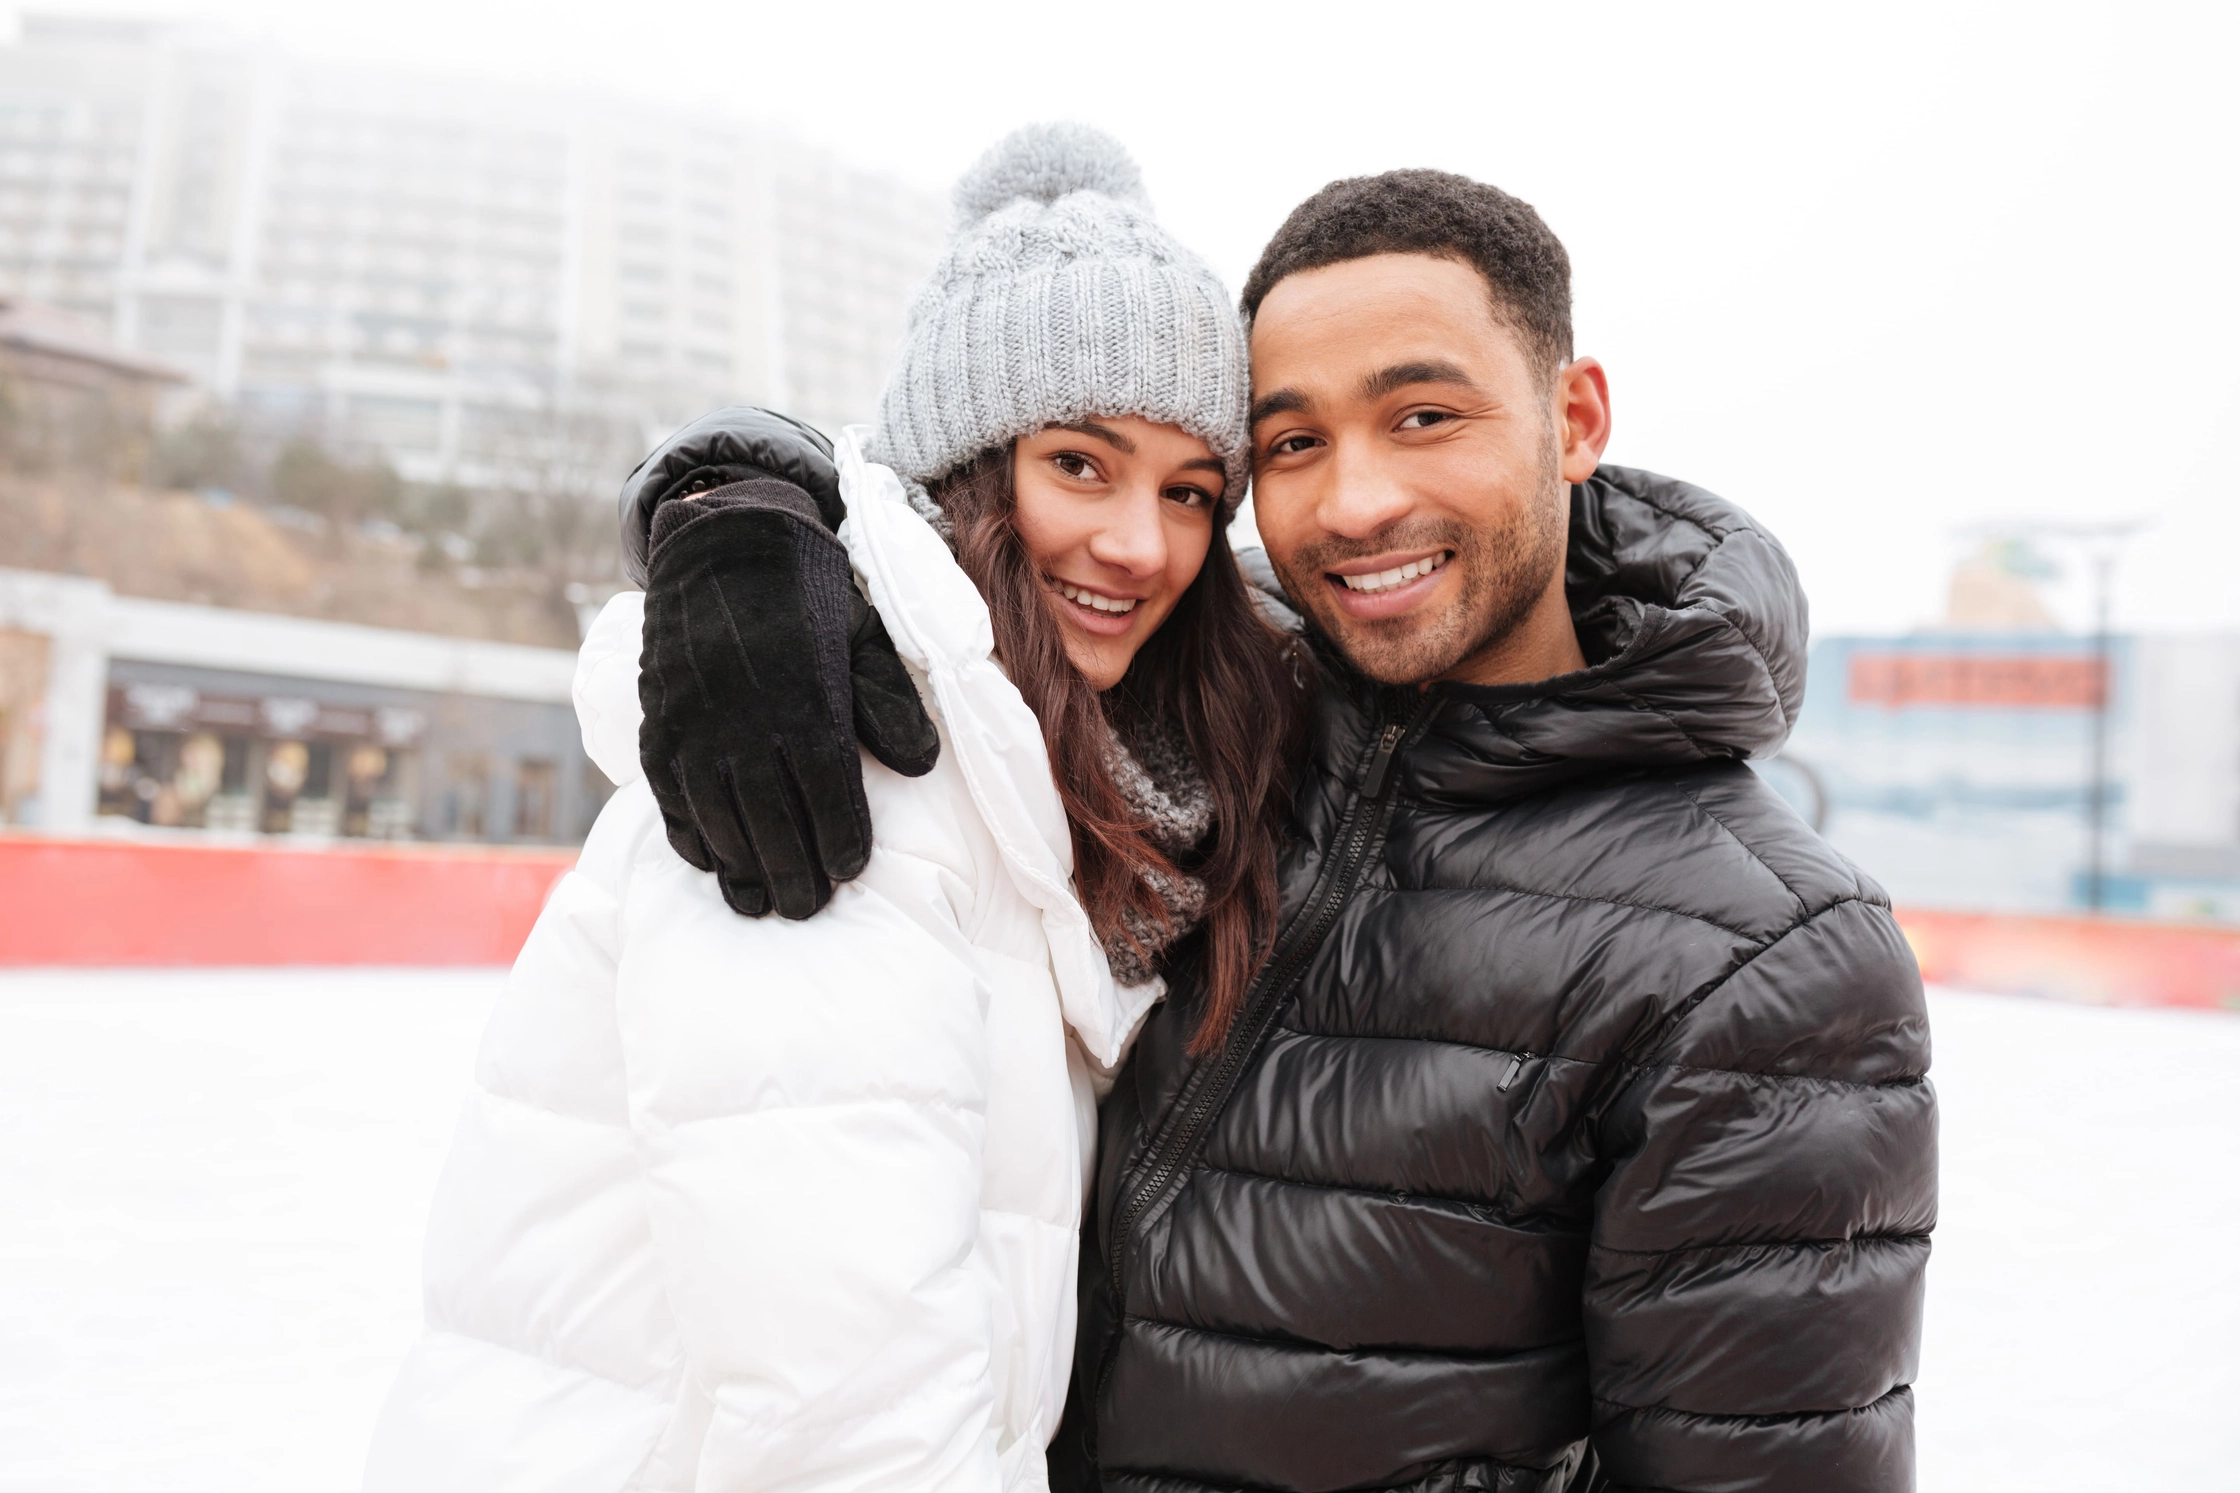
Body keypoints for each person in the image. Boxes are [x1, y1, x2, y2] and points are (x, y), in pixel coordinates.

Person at [647, 167, 1937, 1492]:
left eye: (1424, 415)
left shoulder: (1768, 957)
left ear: (1575, 417)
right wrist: (738, 506)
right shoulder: (1203, 713)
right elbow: (957, 527)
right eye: (1292, 445)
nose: (1354, 504)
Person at [359, 124, 1304, 1493]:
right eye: (1080, 465)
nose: (1140, 544)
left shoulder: (1048, 777)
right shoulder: (850, 759)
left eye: (1189, 492)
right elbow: (842, 1405)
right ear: (971, 470)